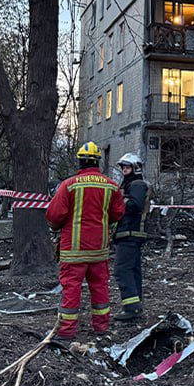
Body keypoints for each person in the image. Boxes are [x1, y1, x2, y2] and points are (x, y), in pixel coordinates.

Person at [46, 142, 125, 338]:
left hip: (74, 251)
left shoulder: (69, 185)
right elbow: (117, 214)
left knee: (71, 289)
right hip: (99, 249)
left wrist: (55, 227)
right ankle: (101, 327)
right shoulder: (111, 186)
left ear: (80, 161)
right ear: (98, 162)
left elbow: (54, 215)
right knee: (100, 287)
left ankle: (67, 331)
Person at [113, 152, 152, 321]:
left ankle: (131, 308)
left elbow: (135, 205)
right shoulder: (129, 184)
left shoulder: (137, 184)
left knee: (121, 270)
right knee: (133, 270)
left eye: (127, 167)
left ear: (136, 168)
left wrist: (116, 202)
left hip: (130, 233)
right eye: (123, 167)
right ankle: (136, 306)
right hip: (129, 233)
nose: (124, 170)